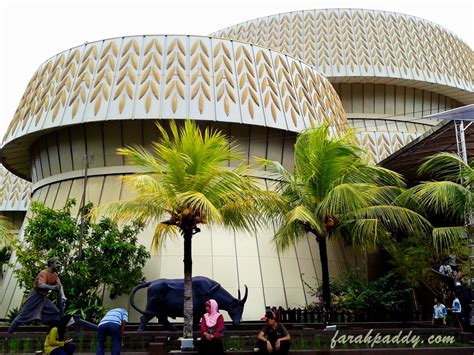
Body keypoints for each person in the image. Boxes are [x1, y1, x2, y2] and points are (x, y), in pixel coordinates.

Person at [8, 257, 66, 333]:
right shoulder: (43, 273)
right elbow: (41, 285)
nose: (59, 265)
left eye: (60, 264)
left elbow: (60, 286)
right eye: (57, 263)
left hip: (43, 298)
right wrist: (52, 287)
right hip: (35, 297)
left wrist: (63, 296)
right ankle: (8, 335)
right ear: (51, 264)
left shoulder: (55, 275)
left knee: (55, 313)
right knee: (22, 316)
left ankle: (50, 337)